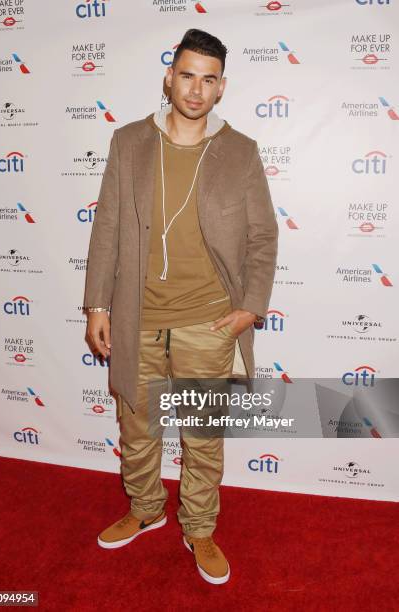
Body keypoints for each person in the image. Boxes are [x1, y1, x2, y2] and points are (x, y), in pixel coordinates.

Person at [83, 28, 278, 585]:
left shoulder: (240, 151)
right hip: (137, 316)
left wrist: (250, 308)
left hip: (208, 321)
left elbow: (263, 238)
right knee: (137, 427)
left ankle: (199, 527)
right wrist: (98, 304)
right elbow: (107, 229)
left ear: (221, 88)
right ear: (169, 77)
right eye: (186, 74)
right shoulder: (129, 143)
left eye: (208, 79)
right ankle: (145, 508)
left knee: (201, 434)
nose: (196, 88)